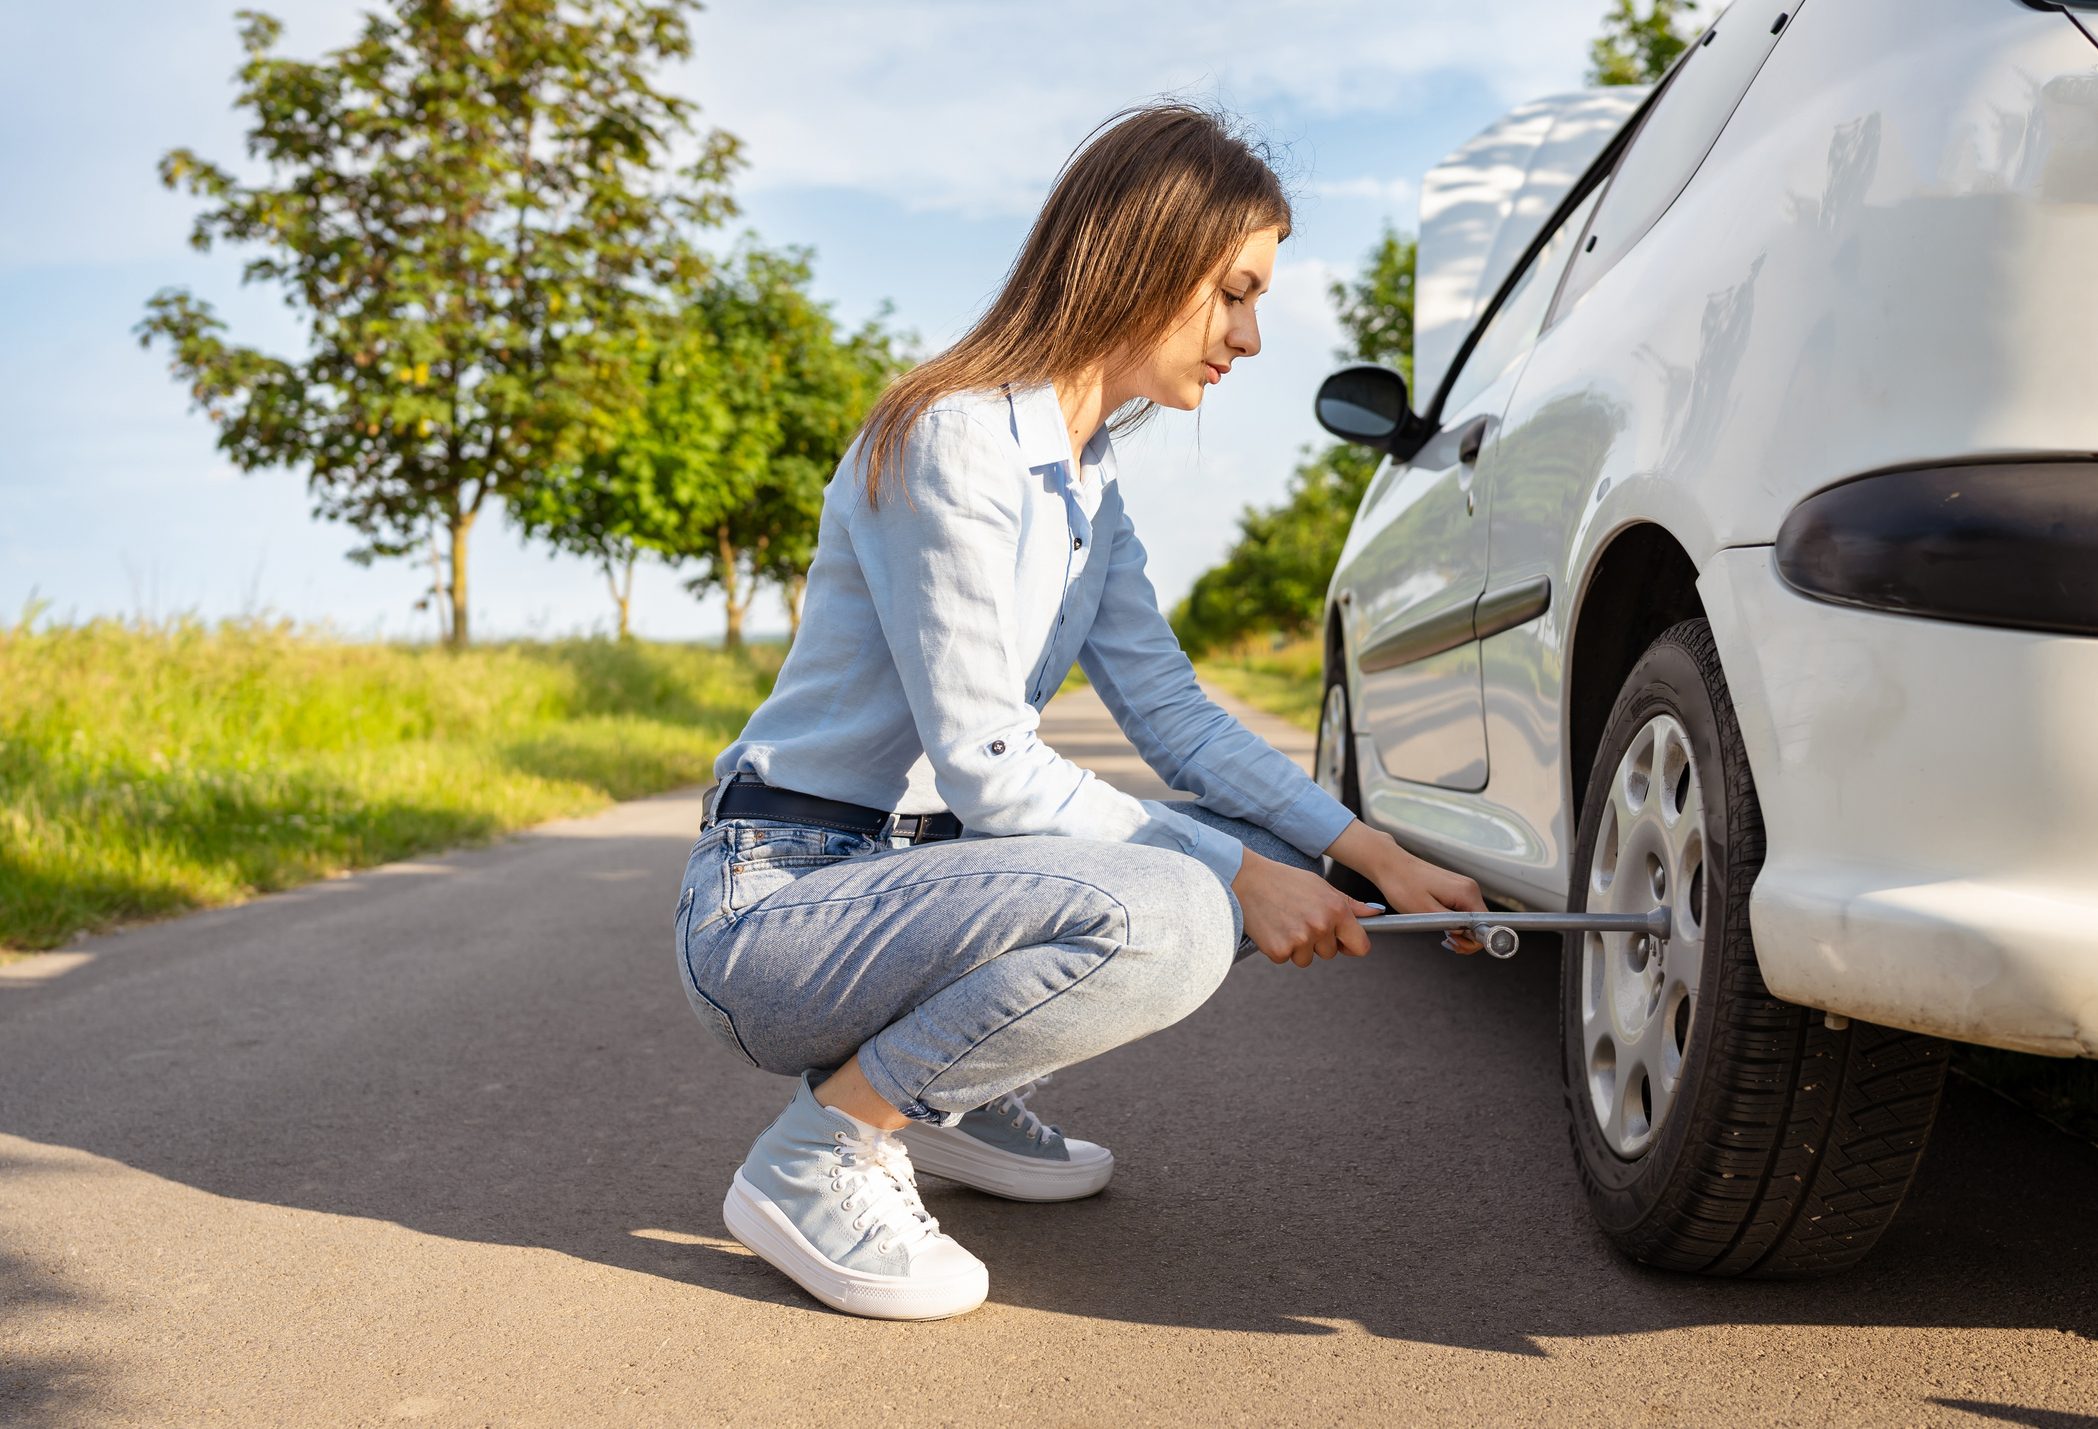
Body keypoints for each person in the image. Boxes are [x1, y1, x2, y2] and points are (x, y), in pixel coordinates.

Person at [671, 99, 1487, 1321]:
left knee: (1245, 856)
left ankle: (943, 1090)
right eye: (1233, 293)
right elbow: (991, 764)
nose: (1252, 336)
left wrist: (1367, 853)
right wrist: (1233, 877)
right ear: (1142, 257)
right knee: (1182, 903)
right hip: (781, 905)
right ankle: (826, 1146)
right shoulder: (949, 438)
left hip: (913, 887)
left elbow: (1175, 718)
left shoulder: (1085, 485)